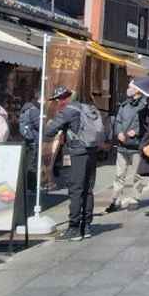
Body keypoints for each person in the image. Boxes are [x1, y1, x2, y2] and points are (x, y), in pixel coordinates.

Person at [44, 86, 100, 241]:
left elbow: (49, 132)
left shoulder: (68, 111)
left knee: (76, 189)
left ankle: (74, 228)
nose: (57, 104)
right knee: (88, 189)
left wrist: (54, 125)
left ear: (62, 99)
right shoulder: (85, 107)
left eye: (57, 101)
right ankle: (86, 226)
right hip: (92, 151)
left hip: (78, 152)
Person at [108, 86, 148, 211]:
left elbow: (147, 125)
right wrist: (118, 132)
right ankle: (116, 200)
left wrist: (136, 131)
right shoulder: (124, 105)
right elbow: (118, 120)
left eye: (131, 87)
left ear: (138, 90)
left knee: (137, 175)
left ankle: (135, 198)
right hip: (122, 145)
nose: (129, 89)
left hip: (136, 145)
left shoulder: (144, 105)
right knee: (119, 174)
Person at [18, 92, 41, 192]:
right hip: (33, 139)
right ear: (39, 99)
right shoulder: (34, 110)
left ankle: (29, 185)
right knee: (32, 164)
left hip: (27, 138)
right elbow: (38, 125)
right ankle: (31, 186)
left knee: (29, 162)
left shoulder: (26, 108)